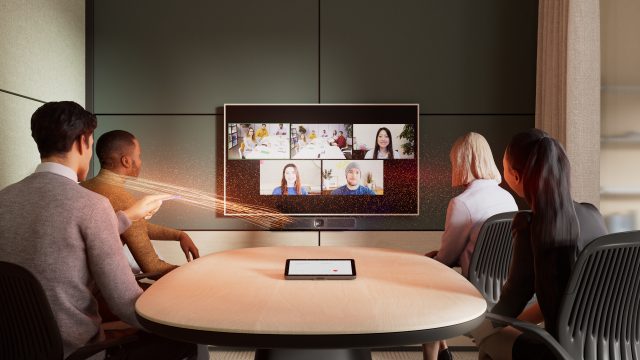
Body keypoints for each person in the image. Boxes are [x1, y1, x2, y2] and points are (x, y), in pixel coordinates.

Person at [0, 101, 197, 360]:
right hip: (76, 349)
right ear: (83, 142)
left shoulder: (4, 198)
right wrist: (187, 316)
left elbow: (63, 237)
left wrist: (127, 217)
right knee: (185, 337)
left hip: (14, 346)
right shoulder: (92, 206)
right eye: (91, 145)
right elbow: (126, 304)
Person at [469, 129, 607, 360]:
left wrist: (478, 331)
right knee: (497, 333)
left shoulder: (529, 225)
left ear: (516, 175)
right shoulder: (593, 214)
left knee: (489, 342)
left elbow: (512, 301)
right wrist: (512, 325)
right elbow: (567, 298)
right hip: (609, 349)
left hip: (558, 351)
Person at [421, 132, 518, 360]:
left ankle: (434, 355)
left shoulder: (462, 203)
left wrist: (430, 260)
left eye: (454, 160)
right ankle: (443, 350)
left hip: (476, 294)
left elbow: (445, 259)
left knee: (427, 284)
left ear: (462, 161)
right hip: (508, 290)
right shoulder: (509, 199)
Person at [81, 130, 201, 279]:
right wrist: (197, 272)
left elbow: (131, 227)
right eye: (138, 156)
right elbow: (153, 268)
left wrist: (179, 235)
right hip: (106, 289)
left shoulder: (82, 187)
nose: (140, 161)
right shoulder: (124, 199)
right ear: (126, 161)